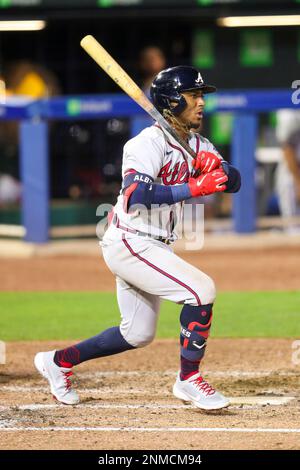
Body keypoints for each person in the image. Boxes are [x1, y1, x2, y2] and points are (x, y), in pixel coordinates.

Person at [34, 66, 241, 410]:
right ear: (172, 102)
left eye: (202, 95)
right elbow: (135, 194)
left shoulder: (198, 145)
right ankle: (188, 380)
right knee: (201, 290)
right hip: (130, 239)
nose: (202, 102)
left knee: (137, 334)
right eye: (194, 96)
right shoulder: (146, 143)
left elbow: (233, 182)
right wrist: (193, 186)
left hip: (155, 243)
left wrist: (218, 169)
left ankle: (56, 361)